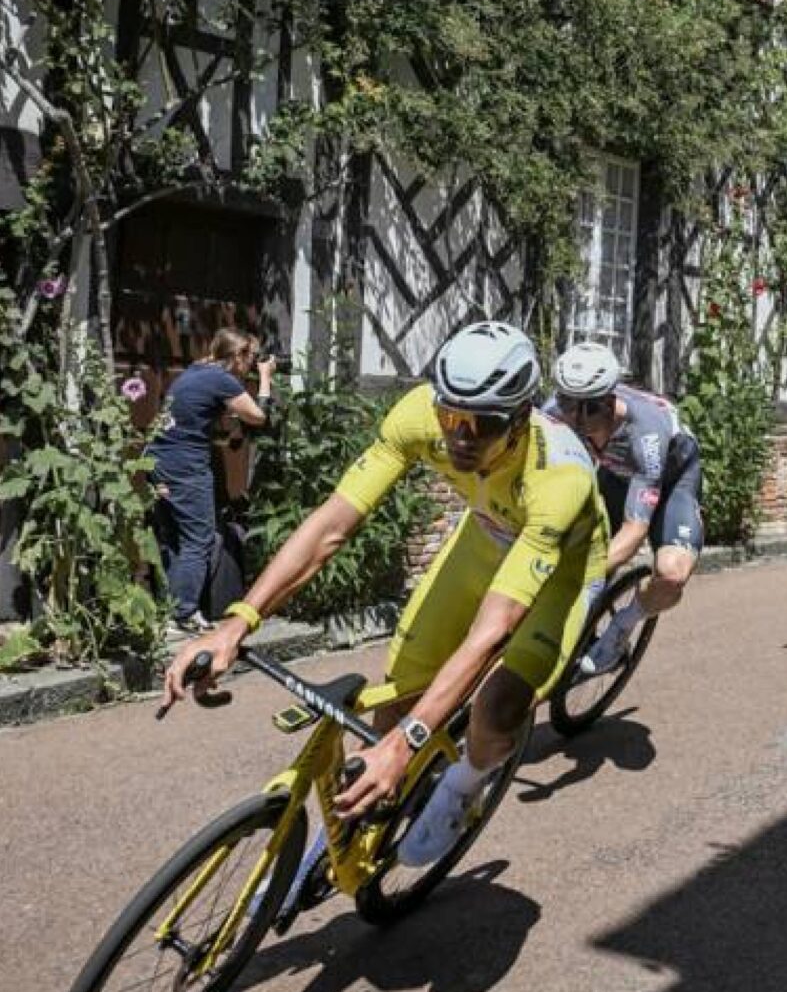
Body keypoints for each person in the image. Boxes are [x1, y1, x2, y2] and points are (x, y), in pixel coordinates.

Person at [162, 321, 608, 873]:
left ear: (521, 419)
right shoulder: (419, 415)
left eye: (482, 424)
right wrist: (237, 622)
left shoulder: (559, 477)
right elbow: (332, 524)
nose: (460, 436)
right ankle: (358, 815)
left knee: (497, 707)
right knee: (401, 685)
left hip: (563, 567)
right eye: (451, 417)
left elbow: (493, 630)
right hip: (485, 538)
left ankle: (463, 786)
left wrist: (408, 741)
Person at [546, 342, 703, 676]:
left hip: (672, 481)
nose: (575, 419)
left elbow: (635, 529)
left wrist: (584, 572)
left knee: (672, 573)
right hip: (617, 477)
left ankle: (622, 627)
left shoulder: (645, 431)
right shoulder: (556, 411)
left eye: (589, 409)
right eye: (567, 403)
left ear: (609, 400)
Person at [150, 329, 275, 632]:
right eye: (251, 357)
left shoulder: (196, 371)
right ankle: (183, 614)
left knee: (176, 538)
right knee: (198, 539)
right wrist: (265, 377)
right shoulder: (221, 380)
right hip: (185, 467)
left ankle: (172, 612)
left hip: (159, 461)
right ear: (238, 355)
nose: (252, 364)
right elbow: (257, 416)